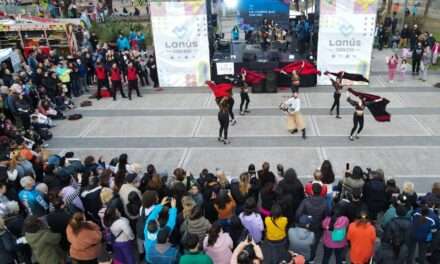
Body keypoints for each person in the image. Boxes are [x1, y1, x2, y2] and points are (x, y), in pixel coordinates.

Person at [295, 183, 328, 262]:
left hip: (307, 225)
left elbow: (298, 214)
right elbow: (327, 215)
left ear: (312, 191)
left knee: (305, 242)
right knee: (315, 244)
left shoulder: (306, 201)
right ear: (320, 191)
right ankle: (311, 259)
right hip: (318, 227)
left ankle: (303, 258)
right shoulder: (324, 202)